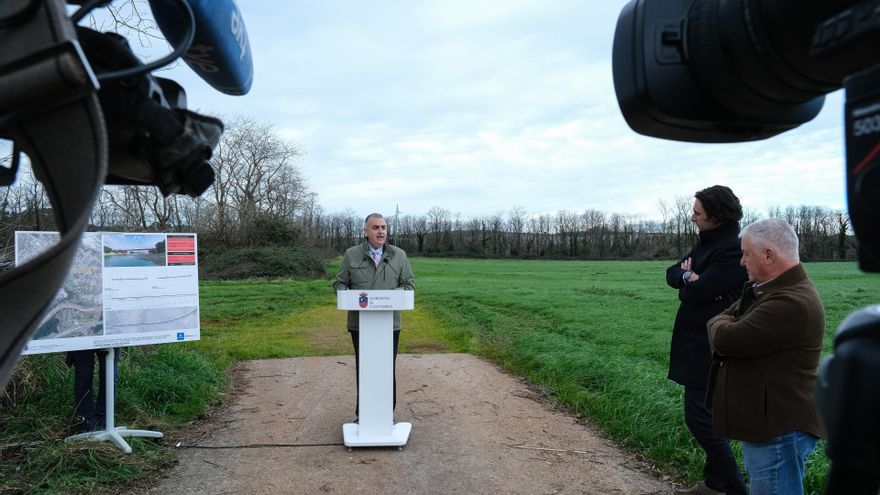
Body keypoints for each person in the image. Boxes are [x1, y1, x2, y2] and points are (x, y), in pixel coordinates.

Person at [707, 218, 826, 495]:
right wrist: (723, 321)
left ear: (769, 255)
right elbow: (725, 322)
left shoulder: (789, 301)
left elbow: (724, 336)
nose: (741, 261)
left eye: (746, 253)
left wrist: (719, 323)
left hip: (780, 431)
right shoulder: (771, 291)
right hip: (772, 426)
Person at [666, 185, 748, 495]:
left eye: (697, 213)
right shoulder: (706, 244)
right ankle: (715, 486)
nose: (692, 217)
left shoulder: (731, 248)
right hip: (694, 340)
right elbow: (672, 272)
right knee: (709, 419)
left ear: (715, 215)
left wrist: (689, 286)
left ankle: (736, 489)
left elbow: (699, 293)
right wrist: (688, 277)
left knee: (699, 418)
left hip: (711, 344)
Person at [333, 213, 415, 420]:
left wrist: (390, 297)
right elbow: (340, 283)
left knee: (387, 370)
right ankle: (363, 416)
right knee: (365, 369)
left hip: (390, 325)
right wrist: (346, 296)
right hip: (360, 325)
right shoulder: (352, 254)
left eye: (384, 227)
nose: (381, 231)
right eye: (376, 227)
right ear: (366, 231)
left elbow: (408, 285)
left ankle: (387, 415)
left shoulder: (399, 255)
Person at [67, 347, 121, 433]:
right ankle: (86, 419)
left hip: (109, 335)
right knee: (83, 377)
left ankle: (105, 418)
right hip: (81, 336)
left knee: (110, 375)